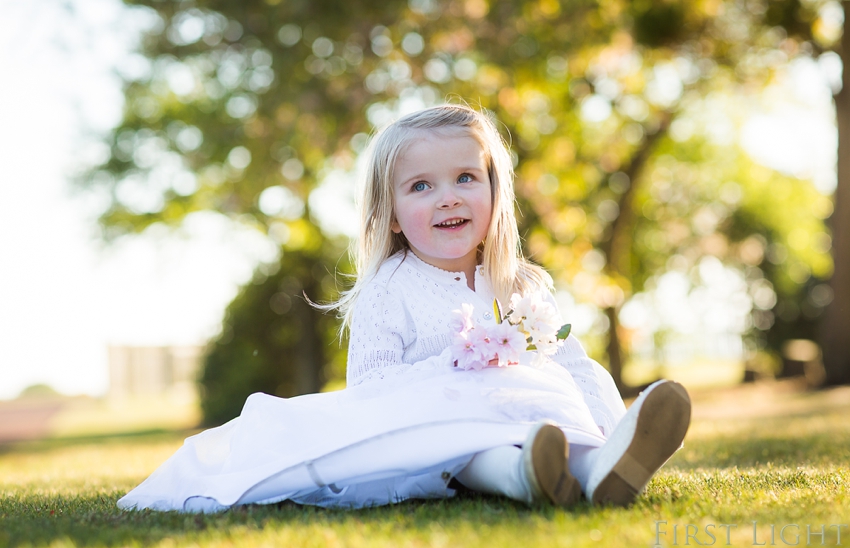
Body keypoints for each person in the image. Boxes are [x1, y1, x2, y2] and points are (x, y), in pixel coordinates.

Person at [118, 104, 690, 513]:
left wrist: (598, 419)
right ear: (391, 215)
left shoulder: (520, 283)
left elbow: (570, 361)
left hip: (539, 410)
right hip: (444, 432)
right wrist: (456, 368)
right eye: (421, 186)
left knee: (571, 390)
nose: (448, 196)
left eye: (466, 177)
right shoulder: (389, 289)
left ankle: (605, 464)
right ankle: (529, 475)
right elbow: (371, 386)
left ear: (494, 194)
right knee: (477, 451)